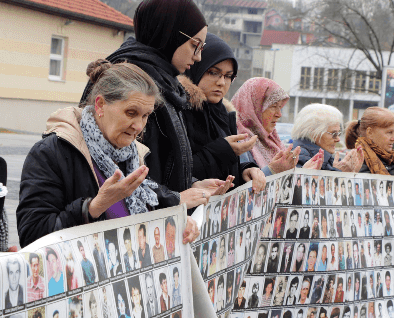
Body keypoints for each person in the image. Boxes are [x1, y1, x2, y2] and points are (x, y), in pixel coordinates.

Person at [18, 61, 208, 245]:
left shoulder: (133, 154)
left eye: (145, 115)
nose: (139, 126)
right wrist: (93, 207)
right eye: (131, 113)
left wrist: (174, 223)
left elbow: (145, 210)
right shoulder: (51, 153)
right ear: (100, 105)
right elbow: (32, 235)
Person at [78, 0, 217, 194]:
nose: (198, 57)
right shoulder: (134, 79)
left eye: (202, 47)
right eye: (195, 45)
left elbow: (162, 165)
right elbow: (118, 172)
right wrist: (175, 199)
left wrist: (190, 183)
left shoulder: (167, 83)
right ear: (170, 34)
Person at [178, 34, 265, 191]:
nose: (221, 82)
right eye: (213, 72)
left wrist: (246, 170)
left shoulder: (224, 114)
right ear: (196, 67)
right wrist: (223, 151)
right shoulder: (179, 110)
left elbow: (226, 171)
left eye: (228, 76)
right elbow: (174, 173)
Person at [234, 77, 303, 173]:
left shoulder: (273, 140)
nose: (279, 114)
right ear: (253, 108)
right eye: (273, 106)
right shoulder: (238, 141)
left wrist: (303, 172)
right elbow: (242, 185)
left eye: (280, 107)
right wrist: (272, 170)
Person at [290, 103, 364, 173]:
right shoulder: (301, 156)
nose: (338, 139)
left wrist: (347, 172)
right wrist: (340, 173)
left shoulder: (322, 155)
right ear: (314, 133)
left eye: (338, 133)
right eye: (334, 134)